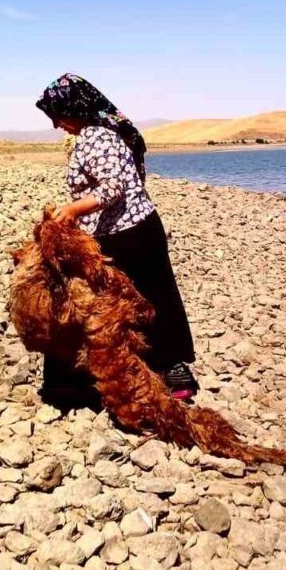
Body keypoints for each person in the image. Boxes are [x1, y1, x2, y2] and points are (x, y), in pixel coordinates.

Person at [35, 73, 198, 405]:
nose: (56, 124)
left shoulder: (96, 138)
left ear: (76, 108)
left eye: (58, 114)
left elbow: (112, 188)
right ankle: (167, 372)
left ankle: (71, 385)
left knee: (92, 302)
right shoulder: (108, 133)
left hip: (125, 236)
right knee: (156, 297)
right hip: (140, 229)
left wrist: (73, 210)